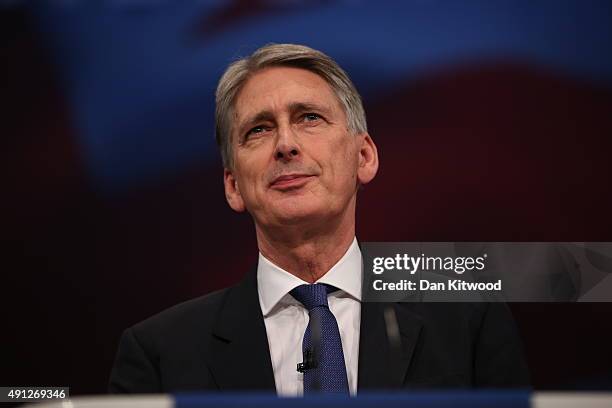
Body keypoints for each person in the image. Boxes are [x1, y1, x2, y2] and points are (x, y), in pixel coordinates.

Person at [109, 43, 529, 395]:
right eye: (259, 129)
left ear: (363, 157)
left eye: (309, 118)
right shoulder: (159, 353)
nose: (286, 145)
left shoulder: (468, 316)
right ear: (233, 185)